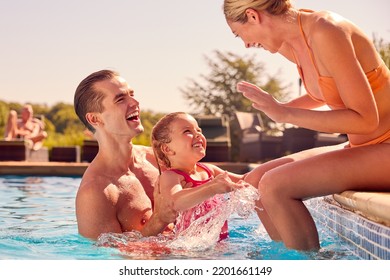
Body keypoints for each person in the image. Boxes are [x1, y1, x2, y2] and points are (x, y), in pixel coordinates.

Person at [223, 0, 390, 251]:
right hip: (363, 147)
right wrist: (278, 107)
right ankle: (286, 258)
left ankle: (307, 267)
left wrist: (285, 113)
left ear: (253, 16)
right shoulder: (290, 41)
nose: (246, 44)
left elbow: (366, 120)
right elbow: (321, 93)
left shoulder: (326, 31)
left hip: (385, 145)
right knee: (254, 181)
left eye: (239, 34)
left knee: (276, 186)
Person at [74, 69, 176, 240]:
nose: (135, 102)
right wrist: (159, 220)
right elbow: (110, 260)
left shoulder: (156, 159)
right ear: (95, 119)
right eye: (121, 99)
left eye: (132, 94)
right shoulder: (96, 193)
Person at [151, 112, 251, 240]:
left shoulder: (209, 170)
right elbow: (174, 202)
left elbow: (246, 180)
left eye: (199, 130)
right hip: (188, 250)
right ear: (167, 149)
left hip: (221, 244)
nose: (198, 134)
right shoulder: (170, 176)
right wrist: (212, 188)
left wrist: (280, 165)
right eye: (187, 131)